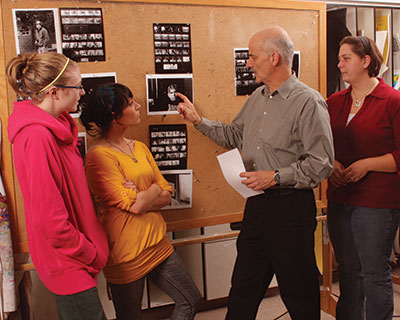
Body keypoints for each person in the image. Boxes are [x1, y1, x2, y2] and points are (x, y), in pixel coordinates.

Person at [177, 26, 334, 320]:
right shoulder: (258, 97)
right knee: (243, 289)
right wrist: (199, 121)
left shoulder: (308, 102)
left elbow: (321, 163)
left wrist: (274, 176)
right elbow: (234, 134)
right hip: (257, 206)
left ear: (274, 58)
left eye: (252, 56)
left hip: (291, 208)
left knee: (298, 292)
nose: (248, 63)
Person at [79, 83, 202, 320]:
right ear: (114, 116)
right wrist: (153, 191)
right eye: (130, 103)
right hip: (126, 255)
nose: (137, 106)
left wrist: (150, 193)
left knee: (190, 299)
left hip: (157, 243)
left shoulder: (140, 147)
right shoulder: (98, 157)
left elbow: (167, 191)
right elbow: (135, 205)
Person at [6, 52, 109, 319]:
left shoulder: (56, 128)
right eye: (77, 86)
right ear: (54, 92)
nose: (82, 92)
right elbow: (50, 220)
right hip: (68, 262)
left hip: (77, 257)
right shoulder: (37, 136)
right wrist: (89, 252)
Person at [327, 35, 400, 320]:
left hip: (377, 202)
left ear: (365, 61)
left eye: (346, 58)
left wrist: (367, 164)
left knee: (373, 272)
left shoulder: (392, 101)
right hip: (340, 198)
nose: (339, 64)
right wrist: (330, 162)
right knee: (348, 271)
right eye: (339, 59)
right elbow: (322, 143)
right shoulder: (334, 102)